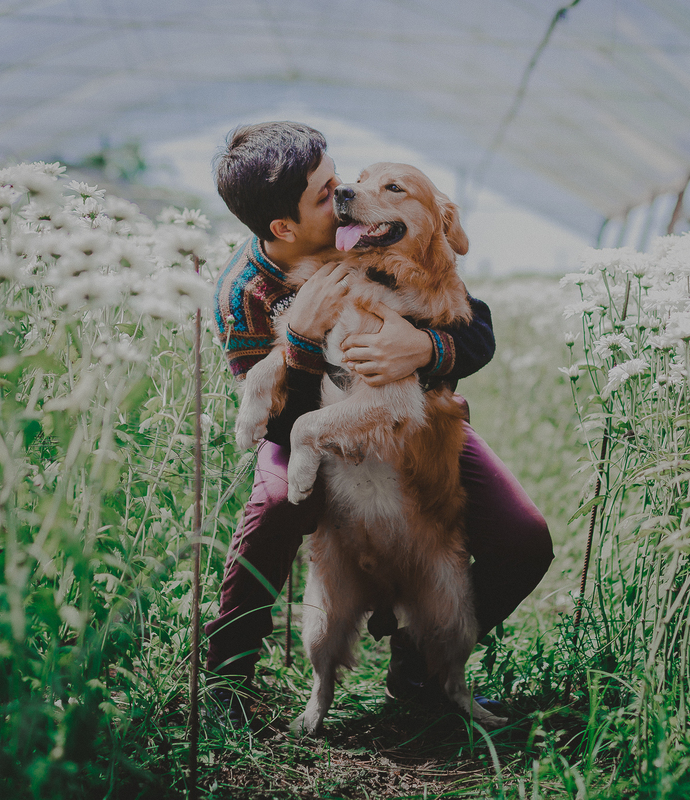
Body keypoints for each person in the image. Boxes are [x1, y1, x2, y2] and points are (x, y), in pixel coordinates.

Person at [205, 120, 552, 725]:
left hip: (411, 418)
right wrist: (302, 341)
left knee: (524, 538)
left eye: (340, 177)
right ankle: (224, 683)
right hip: (306, 428)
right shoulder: (245, 292)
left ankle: (418, 669)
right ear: (283, 228)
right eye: (326, 194)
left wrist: (425, 350)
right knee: (274, 504)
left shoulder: (374, 233)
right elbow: (277, 426)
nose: (345, 194)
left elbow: (474, 327)